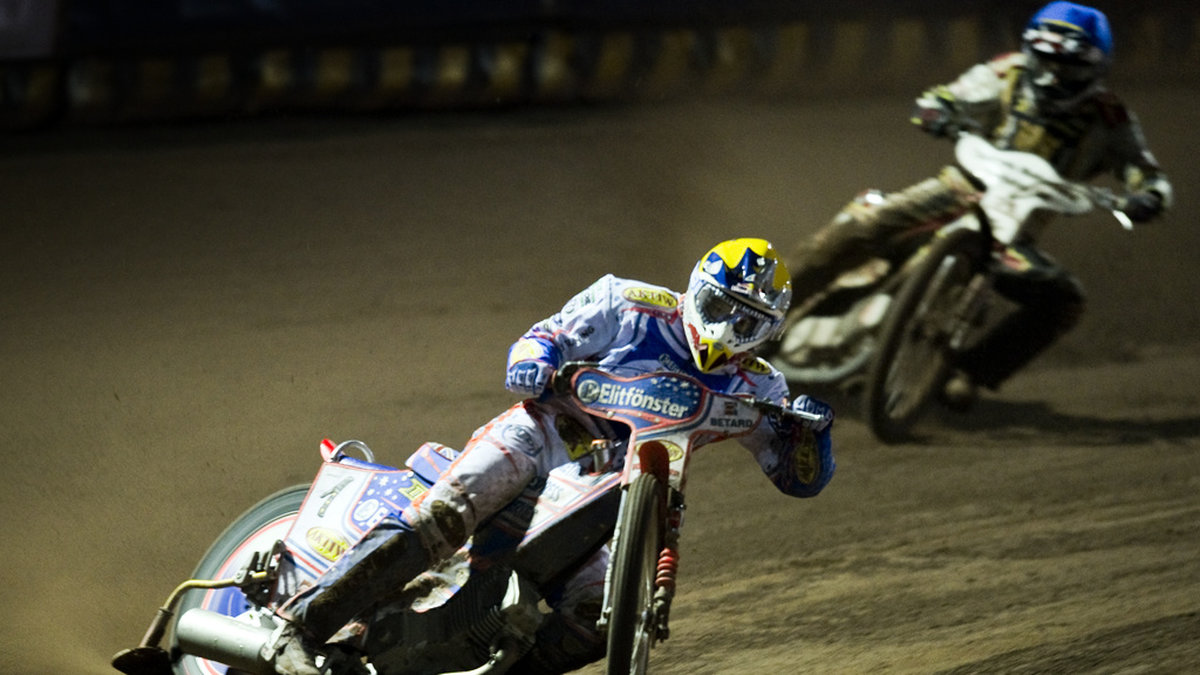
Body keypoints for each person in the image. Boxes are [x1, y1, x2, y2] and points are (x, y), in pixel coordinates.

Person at [261, 238, 836, 675]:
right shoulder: (629, 303)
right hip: (541, 436)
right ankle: (298, 627)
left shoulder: (759, 386)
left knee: (594, 619)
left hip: (615, 492)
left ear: (768, 330)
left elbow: (797, 477)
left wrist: (814, 434)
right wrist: (535, 362)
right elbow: (544, 338)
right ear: (696, 288)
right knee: (445, 513)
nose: (727, 330)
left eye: (747, 321)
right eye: (719, 306)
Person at [785, 1, 1172, 405]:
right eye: (1044, 61)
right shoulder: (1008, 72)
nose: (1052, 76)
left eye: (1068, 67)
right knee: (863, 225)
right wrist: (939, 110)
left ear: (1095, 68)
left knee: (1064, 301)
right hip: (957, 191)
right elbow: (952, 95)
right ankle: (758, 313)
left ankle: (968, 373)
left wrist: (1148, 197)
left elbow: (1146, 171)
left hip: (1012, 235)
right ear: (1030, 52)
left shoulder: (1110, 119)